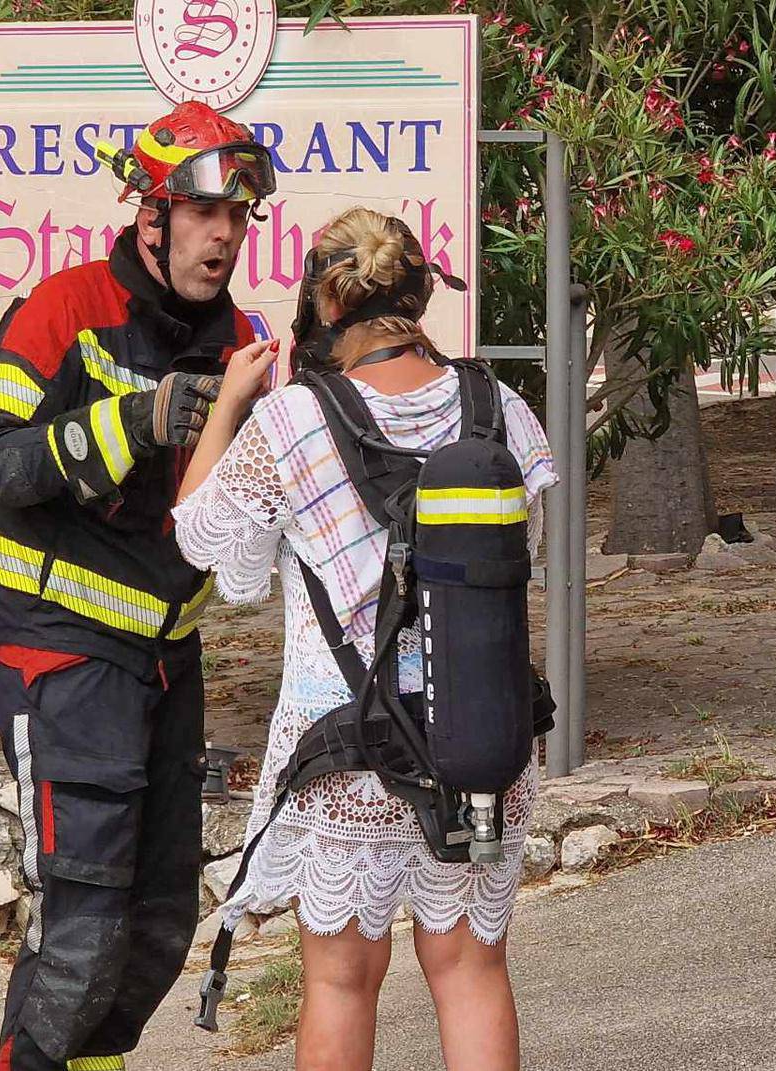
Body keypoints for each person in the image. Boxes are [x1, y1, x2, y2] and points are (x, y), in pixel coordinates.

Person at [173, 207, 556, 1071]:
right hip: (482, 732)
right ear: (418, 293)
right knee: (470, 967)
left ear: (320, 305)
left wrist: (233, 399)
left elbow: (199, 536)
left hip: (343, 746)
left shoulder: (294, 420)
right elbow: (516, 551)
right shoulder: (500, 407)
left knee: (342, 981)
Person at [0, 100, 277, 1071]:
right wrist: (134, 419)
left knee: (154, 931)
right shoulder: (60, 308)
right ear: (152, 213)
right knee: (83, 931)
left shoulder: (243, 343)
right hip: (51, 646)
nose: (223, 235)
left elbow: (222, 525)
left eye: (236, 217)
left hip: (162, 664)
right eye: (203, 213)